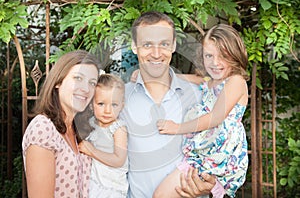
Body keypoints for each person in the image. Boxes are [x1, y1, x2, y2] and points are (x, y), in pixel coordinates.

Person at [120, 11, 219, 198]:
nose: (156, 54)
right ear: (134, 46)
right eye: (147, 44)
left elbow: (220, 148)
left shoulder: (200, 96)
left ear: (173, 45)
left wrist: (211, 184)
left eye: (164, 44)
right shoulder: (117, 100)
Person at [153, 24, 249, 198]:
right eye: (209, 55)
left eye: (223, 56)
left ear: (235, 56)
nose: (215, 62)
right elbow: (185, 79)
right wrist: (153, 77)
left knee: (161, 195)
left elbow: (215, 117)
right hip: (202, 155)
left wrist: (176, 127)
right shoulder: (209, 81)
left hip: (217, 159)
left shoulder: (236, 81)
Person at [22, 50, 100, 198]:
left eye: (92, 83)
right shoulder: (43, 129)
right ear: (58, 81)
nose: (85, 89)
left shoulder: (80, 131)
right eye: (78, 78)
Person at [78, 74, 128, 197]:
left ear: (122, 105)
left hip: (111, 187)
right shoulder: (91, 123)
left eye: (114, 105)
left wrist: (92, 151)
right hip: (93, 183)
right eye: (101, 104)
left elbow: (119, 160)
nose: (107, 110)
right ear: (91, 104)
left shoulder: (118, 129)